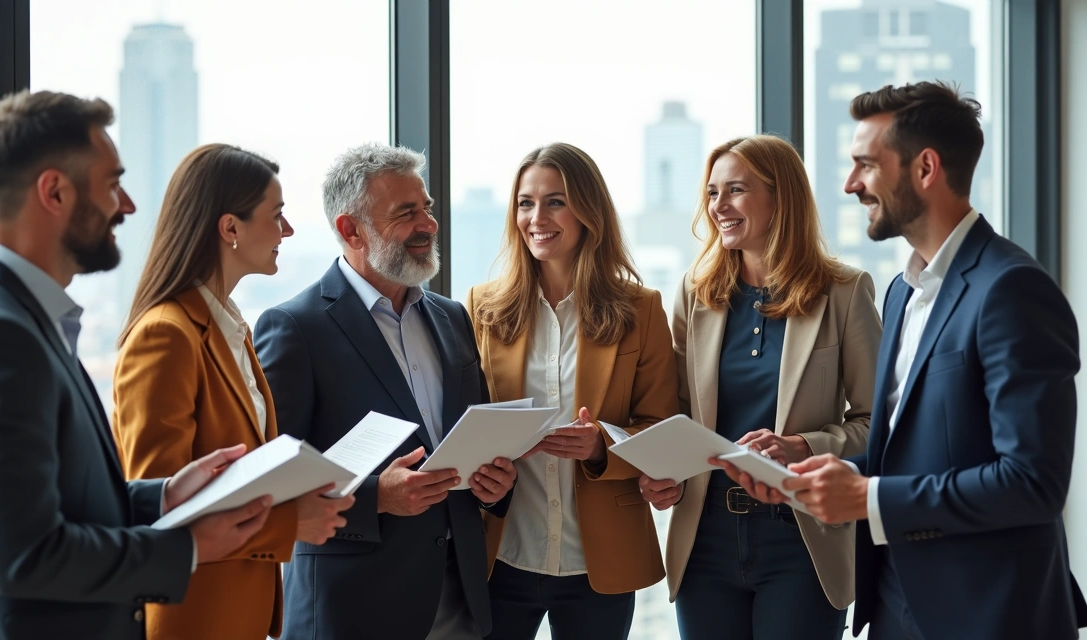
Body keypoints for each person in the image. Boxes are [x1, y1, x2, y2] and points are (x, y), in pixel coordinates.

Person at [0, 91, 273, 640]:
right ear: (54, 191)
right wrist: (190, 546)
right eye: (111, 185)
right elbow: (27, 556)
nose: (127, 205)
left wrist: (167, 493)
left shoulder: (18, 317)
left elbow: (61, 503)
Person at [726, 81, 1087, 640]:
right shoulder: (900, 291)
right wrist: (826, 477)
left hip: (988, 615)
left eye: (866, 165)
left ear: (925, 168)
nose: (850, 185)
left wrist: (867, 496)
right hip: (896, 608)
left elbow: (1033, 483)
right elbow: (914, 450)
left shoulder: (1012, 290)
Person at [253, 143, 517, 640]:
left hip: (460, 602)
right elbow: (273, 481)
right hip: (353, 608)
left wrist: (497, 485)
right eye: (407, 213)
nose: (429, 225)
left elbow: (473, 435)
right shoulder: (294, 327)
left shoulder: (451, 316)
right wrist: (377, 497)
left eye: (428, 208)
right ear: (350, 230)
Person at [640, 134, 882, 640]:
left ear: (780, 197)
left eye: (735, 191)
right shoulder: (694, 293)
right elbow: (678, 414)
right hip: (704, 537)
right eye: (711, 192)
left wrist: (802, 446)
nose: (718, 207)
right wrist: (662, 473)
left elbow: (877, 424)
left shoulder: (844, 290)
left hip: (801, 538)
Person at [111, 143, 355, 639]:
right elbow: (160, 501)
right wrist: (290, 522)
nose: (286, 231)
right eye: (277, 215)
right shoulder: (167, 334)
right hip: (192, 616)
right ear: (230, 229)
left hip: (233, 612)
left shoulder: (233, 328)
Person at [465, 142, 678, 640]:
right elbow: (461, 423)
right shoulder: (481, 307)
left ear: (588, 210)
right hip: (503, 551)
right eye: (525, 203)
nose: (537, 217)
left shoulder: (640, 309)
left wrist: (602, 445)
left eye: (555, 201)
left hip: (599, 561)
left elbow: (662, 428)